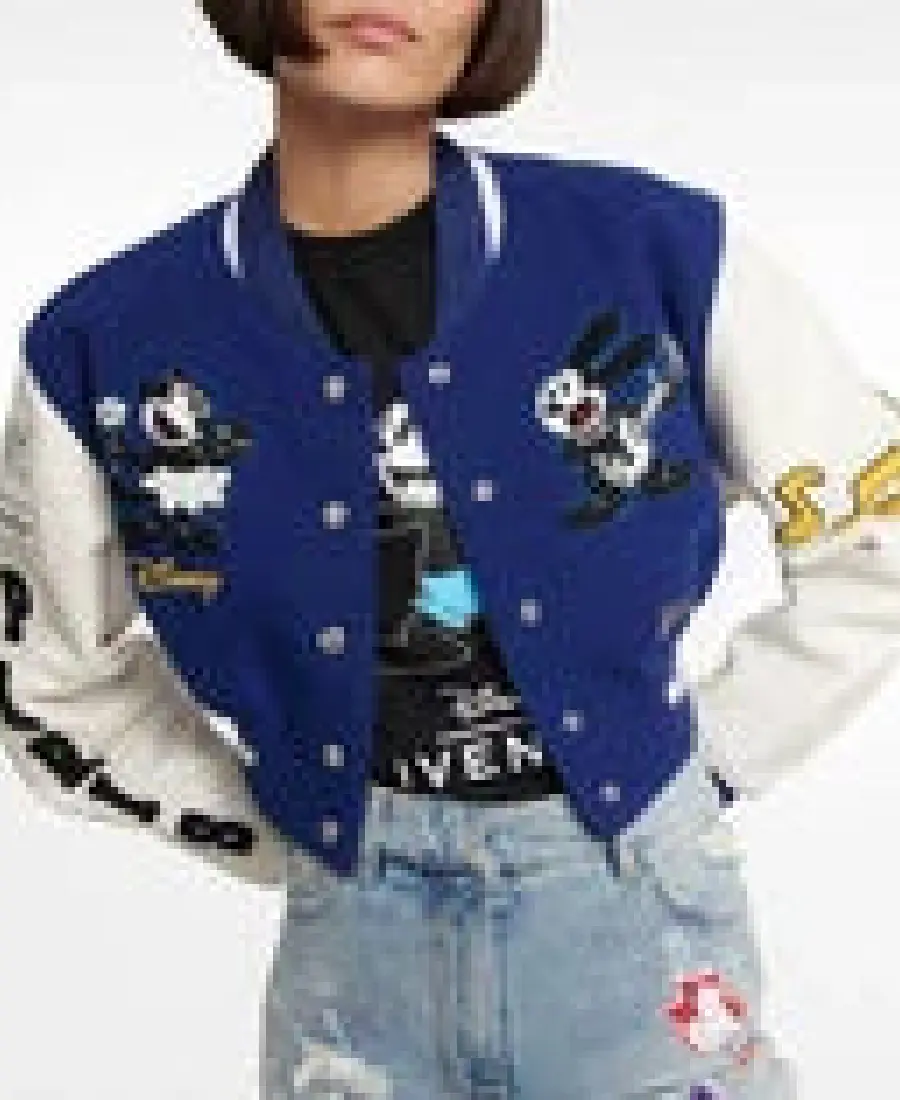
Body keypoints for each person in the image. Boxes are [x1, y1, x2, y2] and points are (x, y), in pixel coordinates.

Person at [3, 2, 900, 1097]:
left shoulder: (654, 251)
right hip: (353, 976)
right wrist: (276, 824)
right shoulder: (104, 340)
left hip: (640, 937)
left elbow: (874, 530)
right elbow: (48, 676)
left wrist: (704, 762)